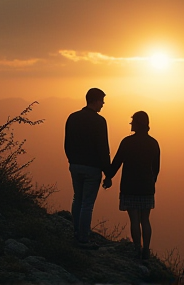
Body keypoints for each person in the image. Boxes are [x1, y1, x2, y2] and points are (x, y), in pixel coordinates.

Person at [103, 111, 160, 259]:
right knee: (145, 219)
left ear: (137, 124)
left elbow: (116, 163)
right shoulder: (153, 143)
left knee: (134, 219)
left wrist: (108, 177)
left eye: (132, 122)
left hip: (130, 187)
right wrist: (151, 182)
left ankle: (136, 249)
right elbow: (156, 168)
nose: (131, 125)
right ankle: (146, 250)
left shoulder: (127, 142)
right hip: (146, 187)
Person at [64, 88, 111, 247]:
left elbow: (67, 144)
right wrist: (108, 173)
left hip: (75, 165)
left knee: (77, 198)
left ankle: (76, 232)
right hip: (92, 168)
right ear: (95, 100)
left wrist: (72, 160)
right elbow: (103, 149)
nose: (103, 104)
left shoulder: (73, 118)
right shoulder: (99, 121)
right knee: (87, 203)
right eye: (102, 101)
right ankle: (83, 238)